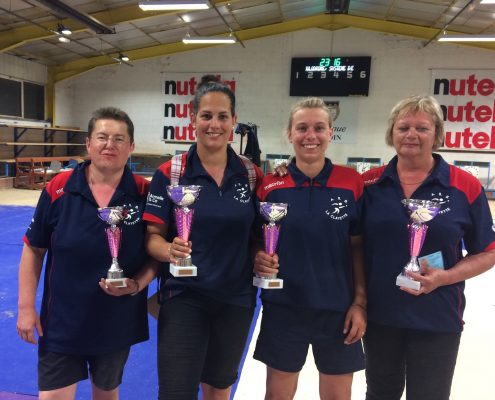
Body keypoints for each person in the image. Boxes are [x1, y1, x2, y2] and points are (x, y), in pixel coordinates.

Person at [16, 107, 157, 400]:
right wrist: (26, 307)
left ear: (131, 147)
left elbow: (156, 253)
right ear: (88, 144)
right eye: (102, 137)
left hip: (116, 322)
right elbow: (34, 248)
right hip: (62, 322)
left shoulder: (146, 193)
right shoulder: (59, 188)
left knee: (106, 395)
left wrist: (137, 285)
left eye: (119, 139)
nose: (110, 145)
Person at [361, 95, 495, 400]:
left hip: (437, 315)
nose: (411, 134)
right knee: (380, 393)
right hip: (380, 314)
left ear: (436, 134)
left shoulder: (464, 185)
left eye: (422, 128)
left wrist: (444, 277)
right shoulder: (369, 183)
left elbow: (488, 251)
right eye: (403, 126)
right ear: (391, 133)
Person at [144, 75, 263, 400]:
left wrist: (260, 257)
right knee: (176, 391)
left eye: (223, 116)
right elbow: (152, 237)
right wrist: (169, 249)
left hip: (236, 299)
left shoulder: (251, 174)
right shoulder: (171, 172)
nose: (215, 124)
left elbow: (258, 236)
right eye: (207, 116)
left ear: (234, 122)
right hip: (184, 297)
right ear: (193, 119)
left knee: (219, 388)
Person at [253, 97, 366, 400]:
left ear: (331, 132)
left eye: (319, 127)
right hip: (284, 308)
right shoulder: (268, 185)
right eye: (302, 128)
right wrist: (257, 258)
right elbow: (256, 241)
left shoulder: (352, 182)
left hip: (338, 311)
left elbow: (358, 248)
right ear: (289, 134)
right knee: (277, 395)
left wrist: (360, 303)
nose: (310, 136)